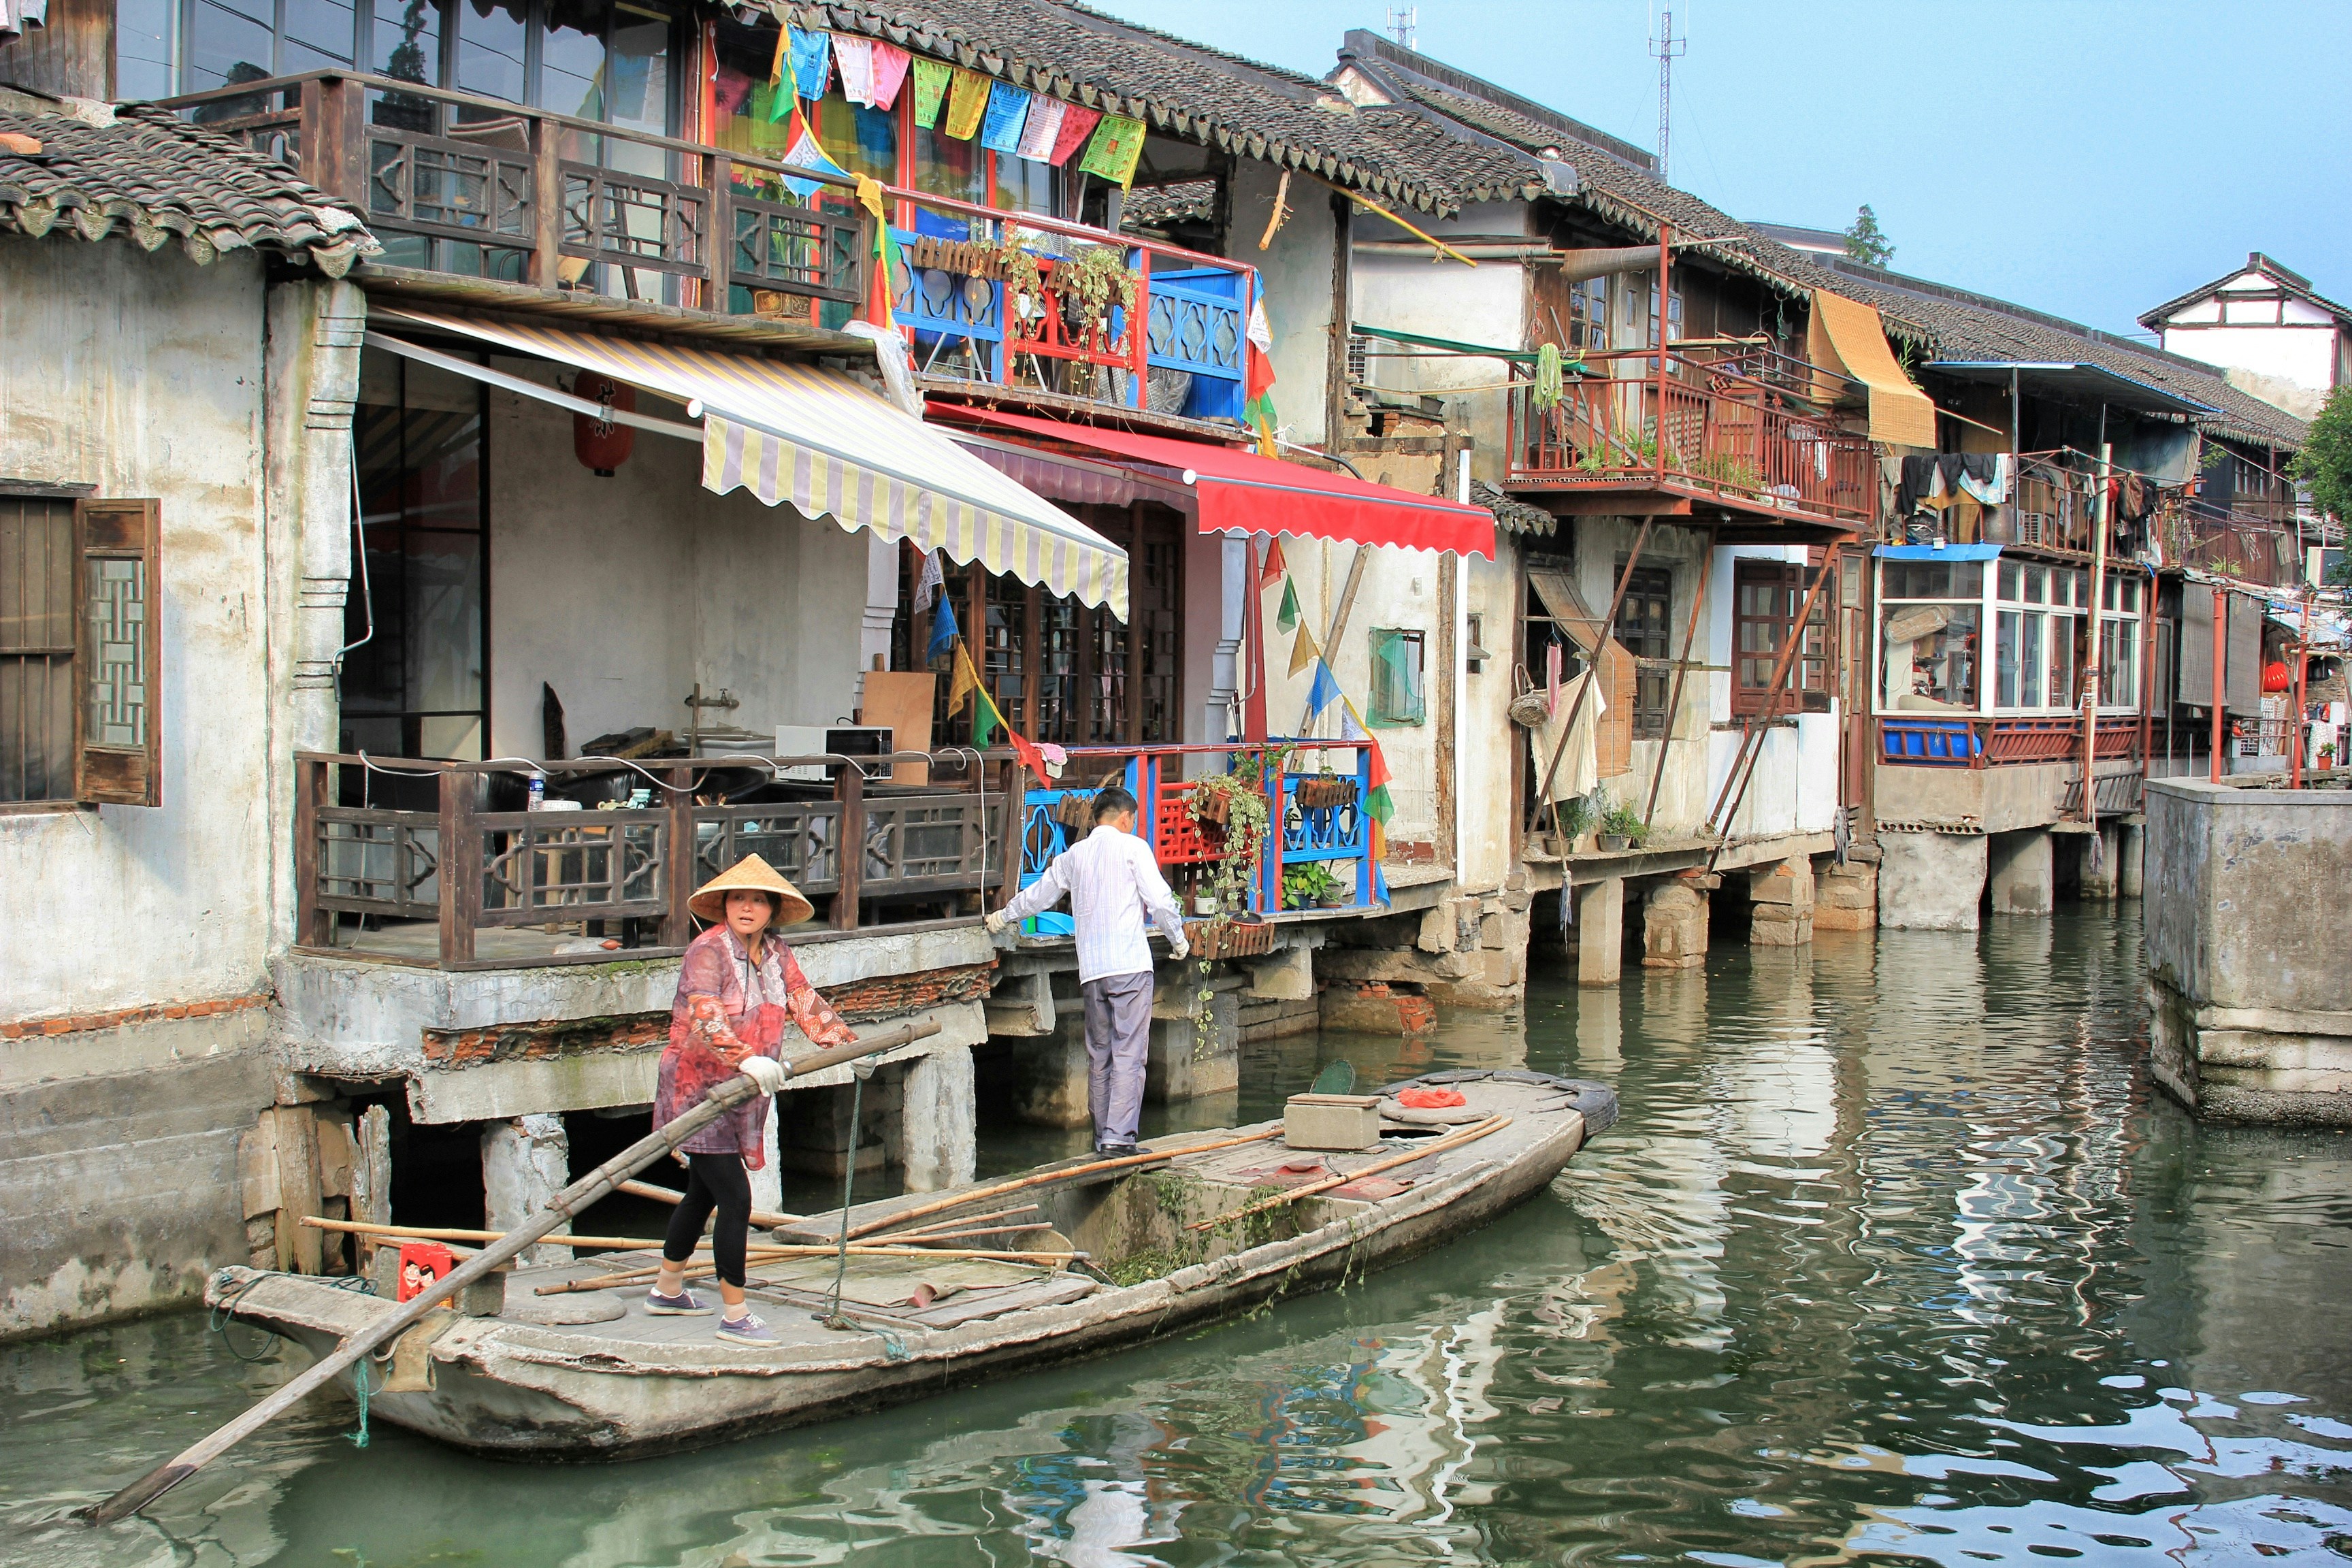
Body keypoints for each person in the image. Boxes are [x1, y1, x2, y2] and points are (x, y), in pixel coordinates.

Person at [647, 853, 855, 1343]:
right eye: (739, 898)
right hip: (697, 1089)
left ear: (771, 910)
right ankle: (736, 1316)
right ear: (725, 905)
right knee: (735, 1199)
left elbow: (805, 1001)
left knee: (702, 1194)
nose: (747, 907)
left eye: (757, 900)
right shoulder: (708, 950)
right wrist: (745, 1057)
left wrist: (848, 1044)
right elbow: (706, 1014)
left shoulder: (778, 952)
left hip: (744, 1090)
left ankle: (667, 1289)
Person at [985, 786, 1188, 1156]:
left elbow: (1040, 894)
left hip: (1092, 970)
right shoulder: (1134, 847)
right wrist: (1178, 940)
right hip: (1129, 965)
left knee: (1100, 1054)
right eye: (1133, 819)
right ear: (1126, 818)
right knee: (1129, 1052)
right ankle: (1120, 1137)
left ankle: (1102, 1138)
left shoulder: (1074, 856)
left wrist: (1003, 916)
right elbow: (1160, 901)